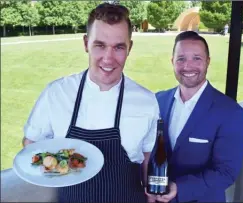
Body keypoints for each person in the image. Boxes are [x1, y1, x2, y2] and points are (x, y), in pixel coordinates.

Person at [22, 3, 159, 203]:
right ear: (86, 43)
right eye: (100, 45)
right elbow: (30, 143)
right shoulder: (57, 93)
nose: (108, 58)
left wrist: (154, 194)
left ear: (130, 47)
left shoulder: (146, 101)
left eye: (119, 47)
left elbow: (149, 158)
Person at [146, 31, 243, 202]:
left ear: (208, 61)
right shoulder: (158, 100)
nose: (188, 66)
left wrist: (179, 188)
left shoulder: (231, 113)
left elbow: (226, 173)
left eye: (197, 58)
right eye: (181, 59)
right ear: (172, 62)